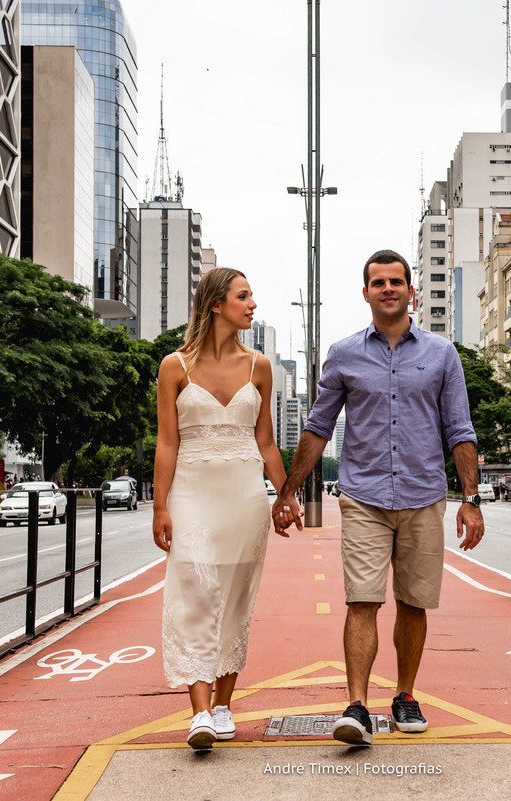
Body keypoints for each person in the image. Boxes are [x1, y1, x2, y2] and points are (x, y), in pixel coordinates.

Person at [272, 249, 484, 746]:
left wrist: (472, 499)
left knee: (414, 603)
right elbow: (318, 426)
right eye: (378, 282)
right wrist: (287, 492)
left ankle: (405, 694)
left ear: (411, 292)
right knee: (361, 601)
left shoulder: (442, 354)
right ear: (365, 293)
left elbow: (460, 429)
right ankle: (357, 706)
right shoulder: (344, 354)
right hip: (364, 496)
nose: (388, 289)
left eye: (396, 281)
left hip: (425, 495)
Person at [152, 267, 290, 751]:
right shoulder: (174, 366)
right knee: (193, 592)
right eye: (244, 296)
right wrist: (159, 506)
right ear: (216, 304)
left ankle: (225, 704)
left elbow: (267, 443)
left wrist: (287, 496)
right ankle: (200, 713)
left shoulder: (261, 367)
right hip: (190, 492)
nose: (253, 304)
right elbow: (167, 442)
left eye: (252, 296)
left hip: (246, 497)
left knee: (234, 597)